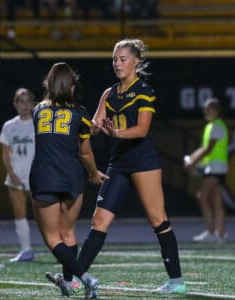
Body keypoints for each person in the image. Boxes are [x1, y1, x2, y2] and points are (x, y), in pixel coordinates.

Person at [77, 38, 187, 295]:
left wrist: (116, 134)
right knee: (99, 220)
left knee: (158, 219)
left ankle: (177, 281)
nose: (117, 63)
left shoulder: (144, 90)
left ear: (136, 61)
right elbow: (94, 126)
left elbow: (142, 129)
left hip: (143, 160)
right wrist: (77, 122)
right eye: (114, 59)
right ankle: (75, 276)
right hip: (119, 162)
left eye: (122, 59)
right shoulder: (109, 93)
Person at [29, 62, 107, 298]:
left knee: (53, 239)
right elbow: (85, 153)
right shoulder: (81, 115)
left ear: (49, 85)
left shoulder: (37, 111)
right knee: (69, 233)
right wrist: (94, 174)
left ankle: (86, 278)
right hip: (72, 176)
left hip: (44, 177)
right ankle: (71, 284)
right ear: (72, 87)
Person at [184, 98, 228, 243]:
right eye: (206, 109)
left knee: (202, 197)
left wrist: (192, 162)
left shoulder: (216, 126)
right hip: (217, 168)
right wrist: (193, 159)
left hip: (216, 168)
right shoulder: (212, 126)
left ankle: (211, 232)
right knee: (216, 201)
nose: (206, 112)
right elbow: (205, 148)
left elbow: (207, 149)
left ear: (216, 111)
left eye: (209, 109)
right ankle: (220, 234)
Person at [0, 88, 35, 262]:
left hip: (36, 175)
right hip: (17, 176)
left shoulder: (38, 123)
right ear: (15, 104)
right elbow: (6, 153)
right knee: (19, 213)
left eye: (28, 101)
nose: (25, 105)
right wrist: (11, 173)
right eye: (21, 101)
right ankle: (26, 250)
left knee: (45, 215)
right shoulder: (9, 126)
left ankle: (58, 248)